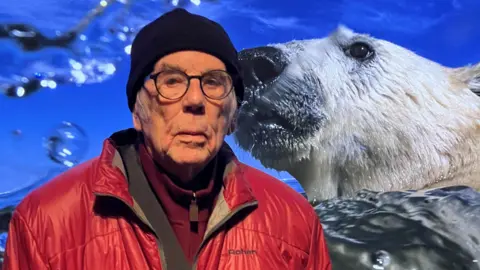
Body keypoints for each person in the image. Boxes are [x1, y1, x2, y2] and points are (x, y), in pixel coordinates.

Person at [3, 8, 332, 270]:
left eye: (214, 82)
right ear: (137, 110)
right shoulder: (43, 220)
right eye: (171, 81)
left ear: (233, 116)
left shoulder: (293, 216)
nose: (194, 101)